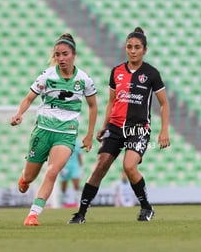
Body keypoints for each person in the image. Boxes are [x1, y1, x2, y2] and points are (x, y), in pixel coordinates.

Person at [68, 27, 170, 223]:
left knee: (129, 166)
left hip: (138, 129)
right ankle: (80, 213)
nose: (132, 51)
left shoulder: (151, 73)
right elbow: (112, 102)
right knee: (100, 166)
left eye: (137, 47)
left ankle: (146, 207)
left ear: (144, 50)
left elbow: (164, 104)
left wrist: (164, 130)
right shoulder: (116, 72)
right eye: (129, 47)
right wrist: (104, 126)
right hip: (115, 127)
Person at [11, 33, 98, 226]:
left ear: (74, 54)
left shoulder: (84, 80)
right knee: (29, 177)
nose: (61, 58)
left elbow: (93, 106)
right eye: (57, 54)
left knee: (52, 171)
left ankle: (33, 214)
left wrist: (89, 134)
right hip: (43, 130)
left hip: (66, 133)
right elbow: (28, 99)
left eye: (64, 54)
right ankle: (24, 179)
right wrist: (19, 114)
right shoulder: (47, 75)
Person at [60, 139, 83, 208]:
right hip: (65, 166)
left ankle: (78, 202)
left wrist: (82, 168)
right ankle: (62, 201)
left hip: (75, 166)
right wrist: (61, 167)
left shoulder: (77, 143)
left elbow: (79, 155)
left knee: (76, 185)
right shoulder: (63, 141)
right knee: (63, 186)